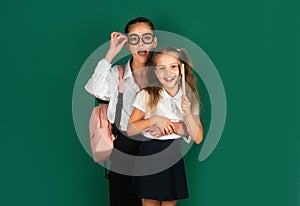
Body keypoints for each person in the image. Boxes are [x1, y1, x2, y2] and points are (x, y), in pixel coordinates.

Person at [85, 17, 185, 206]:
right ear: (127, 45)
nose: (141, 43)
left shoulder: (164, 74)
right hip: (125, 149)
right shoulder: (117, 74)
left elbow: (182, 110)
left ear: (154, 42)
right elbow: (94, 89)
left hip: (157, 148)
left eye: (147, 38)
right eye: (134, 39)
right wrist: (111, 53)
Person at [127, 47, 203, 206]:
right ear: (155, 72)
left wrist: (187, 115)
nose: (168, 72)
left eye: (173, 66)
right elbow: (131, 129)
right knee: (149, 202)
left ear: (181, 69)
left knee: (169, 202)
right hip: (149, 154)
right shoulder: (147, 94)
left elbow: (197, 137)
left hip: (173, 155)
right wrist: (154, 120)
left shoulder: (188, 97)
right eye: (162, 68)